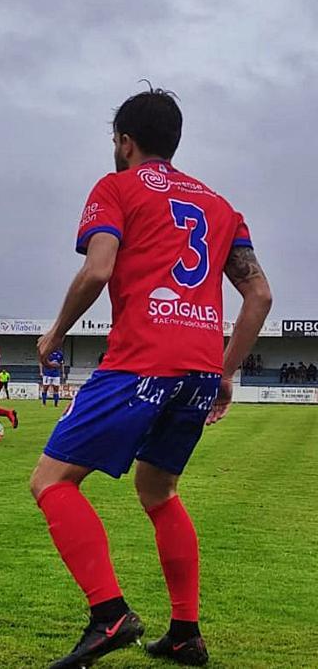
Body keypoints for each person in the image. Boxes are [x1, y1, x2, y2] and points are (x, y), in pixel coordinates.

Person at [28, 87, 272, 668]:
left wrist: (55, 333)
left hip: (140, 361)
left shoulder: (115, 187)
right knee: (158, 491)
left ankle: (108, 615)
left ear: (124, 141)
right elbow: (259, 294)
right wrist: (224, 370)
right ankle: (185, 633)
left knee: (51, 482)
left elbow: (99, 268)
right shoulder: (219, 205)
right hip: (195, 369)